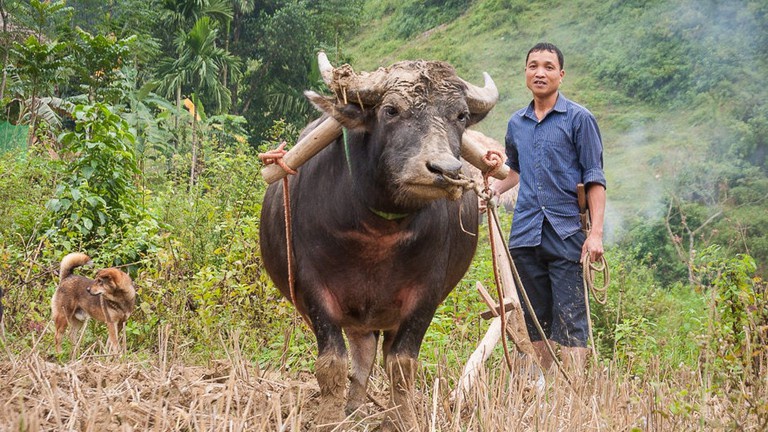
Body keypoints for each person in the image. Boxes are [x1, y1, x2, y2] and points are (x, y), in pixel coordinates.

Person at [486, 42, 606, 373]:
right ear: (525, 72)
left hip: (566, 232)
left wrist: (595, 234)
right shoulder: (516, 123)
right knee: (533, 318)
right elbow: (516, 171)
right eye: (534, 66)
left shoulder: (580, 119)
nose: (540, 72)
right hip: (524, 234)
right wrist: (494, 191)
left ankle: (572, 395)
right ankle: (539, 390)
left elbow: (595, 179)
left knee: (570, 317)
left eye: (549, 67)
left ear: (561, 75)